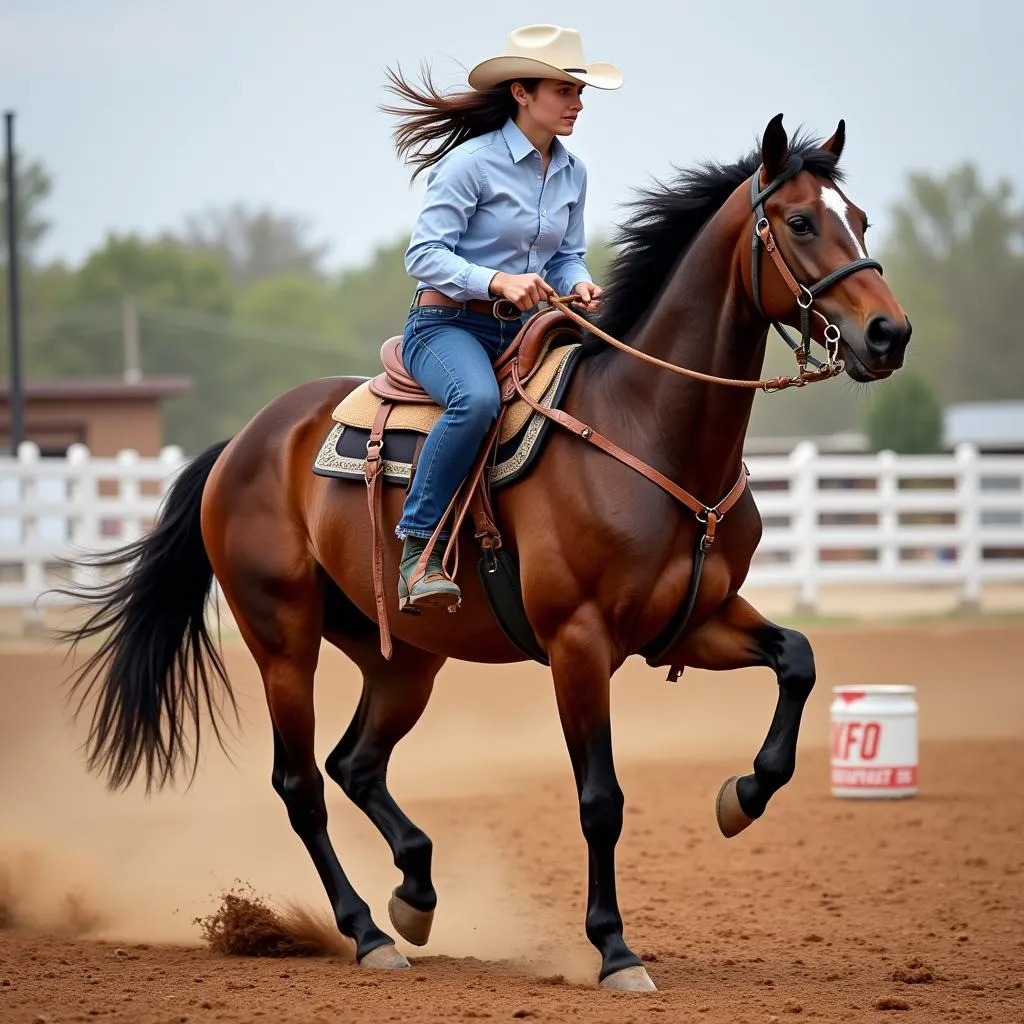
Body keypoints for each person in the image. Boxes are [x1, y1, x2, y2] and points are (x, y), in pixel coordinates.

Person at [381, 24, 623, 611]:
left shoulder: (573, 172)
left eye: (579, 90)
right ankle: (420, 550)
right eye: (564, 90)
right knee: (478, 403)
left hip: (525, 328)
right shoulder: (471, 164)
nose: (578, 103)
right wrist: (494, 280)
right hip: (446, 327)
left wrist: (580, 285)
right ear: (522, 91)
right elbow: (424, 255)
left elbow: (566, 255)